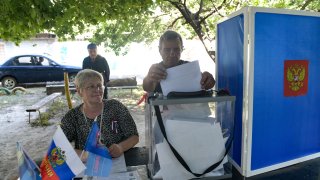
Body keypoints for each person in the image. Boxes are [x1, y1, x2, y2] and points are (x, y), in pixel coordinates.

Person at [60, 69, 139, 158]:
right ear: (79, 91)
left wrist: (120, 147)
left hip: (118, 163)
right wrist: (87, 156)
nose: (97, 90)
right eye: (91, 86)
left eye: (99, 85)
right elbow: (58, 147)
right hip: (87, 167)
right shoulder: (72, 117)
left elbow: (134, 136)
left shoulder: (115, 107)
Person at [143, 30, 215, 93]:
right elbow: (147, 88)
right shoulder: (156, 70)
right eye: (167, 50)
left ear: (182, 49)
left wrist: (208, 80)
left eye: (176, 49)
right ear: (160, 50)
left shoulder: (189, 68)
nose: (172, 53)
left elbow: (205, 85)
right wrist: (149, 77)